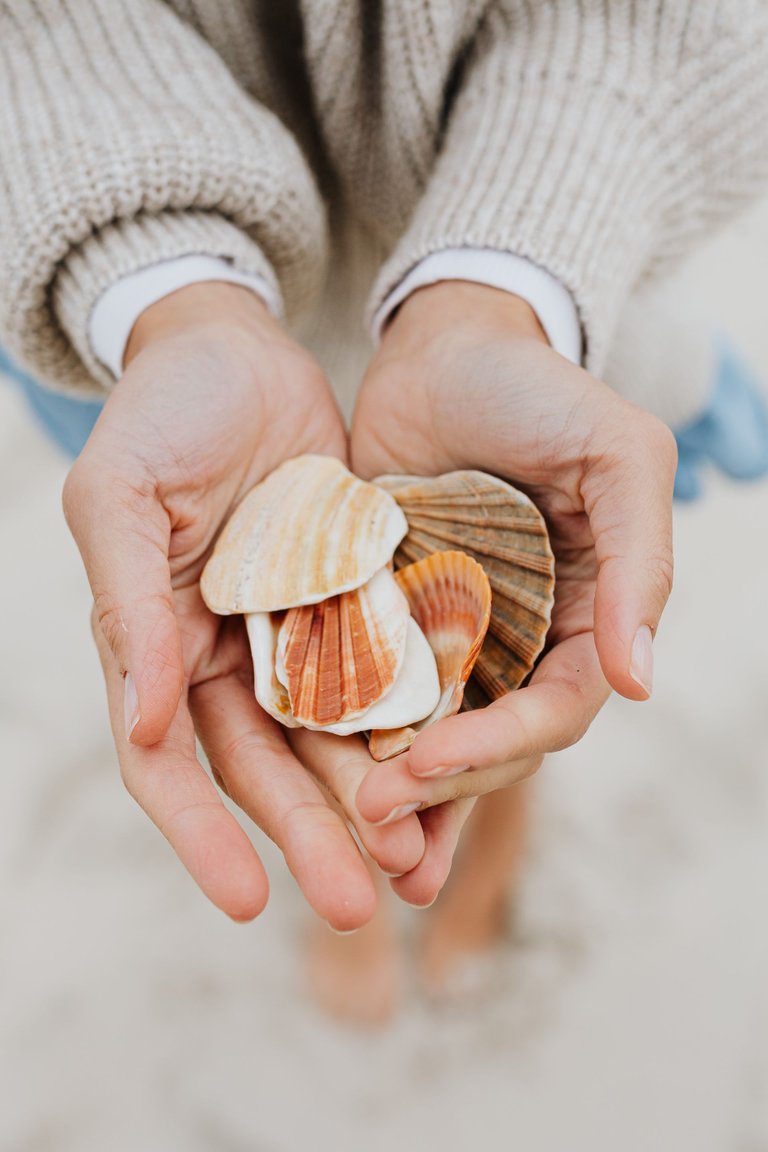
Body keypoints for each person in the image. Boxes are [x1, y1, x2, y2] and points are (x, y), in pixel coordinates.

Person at [1, 1, 767, 1022]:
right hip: (164, 318)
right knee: (362, 724)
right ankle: (364, 871)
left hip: (516, 267)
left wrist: (494, 293)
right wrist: (167, 288)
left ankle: (490, 826)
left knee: (501, 636)